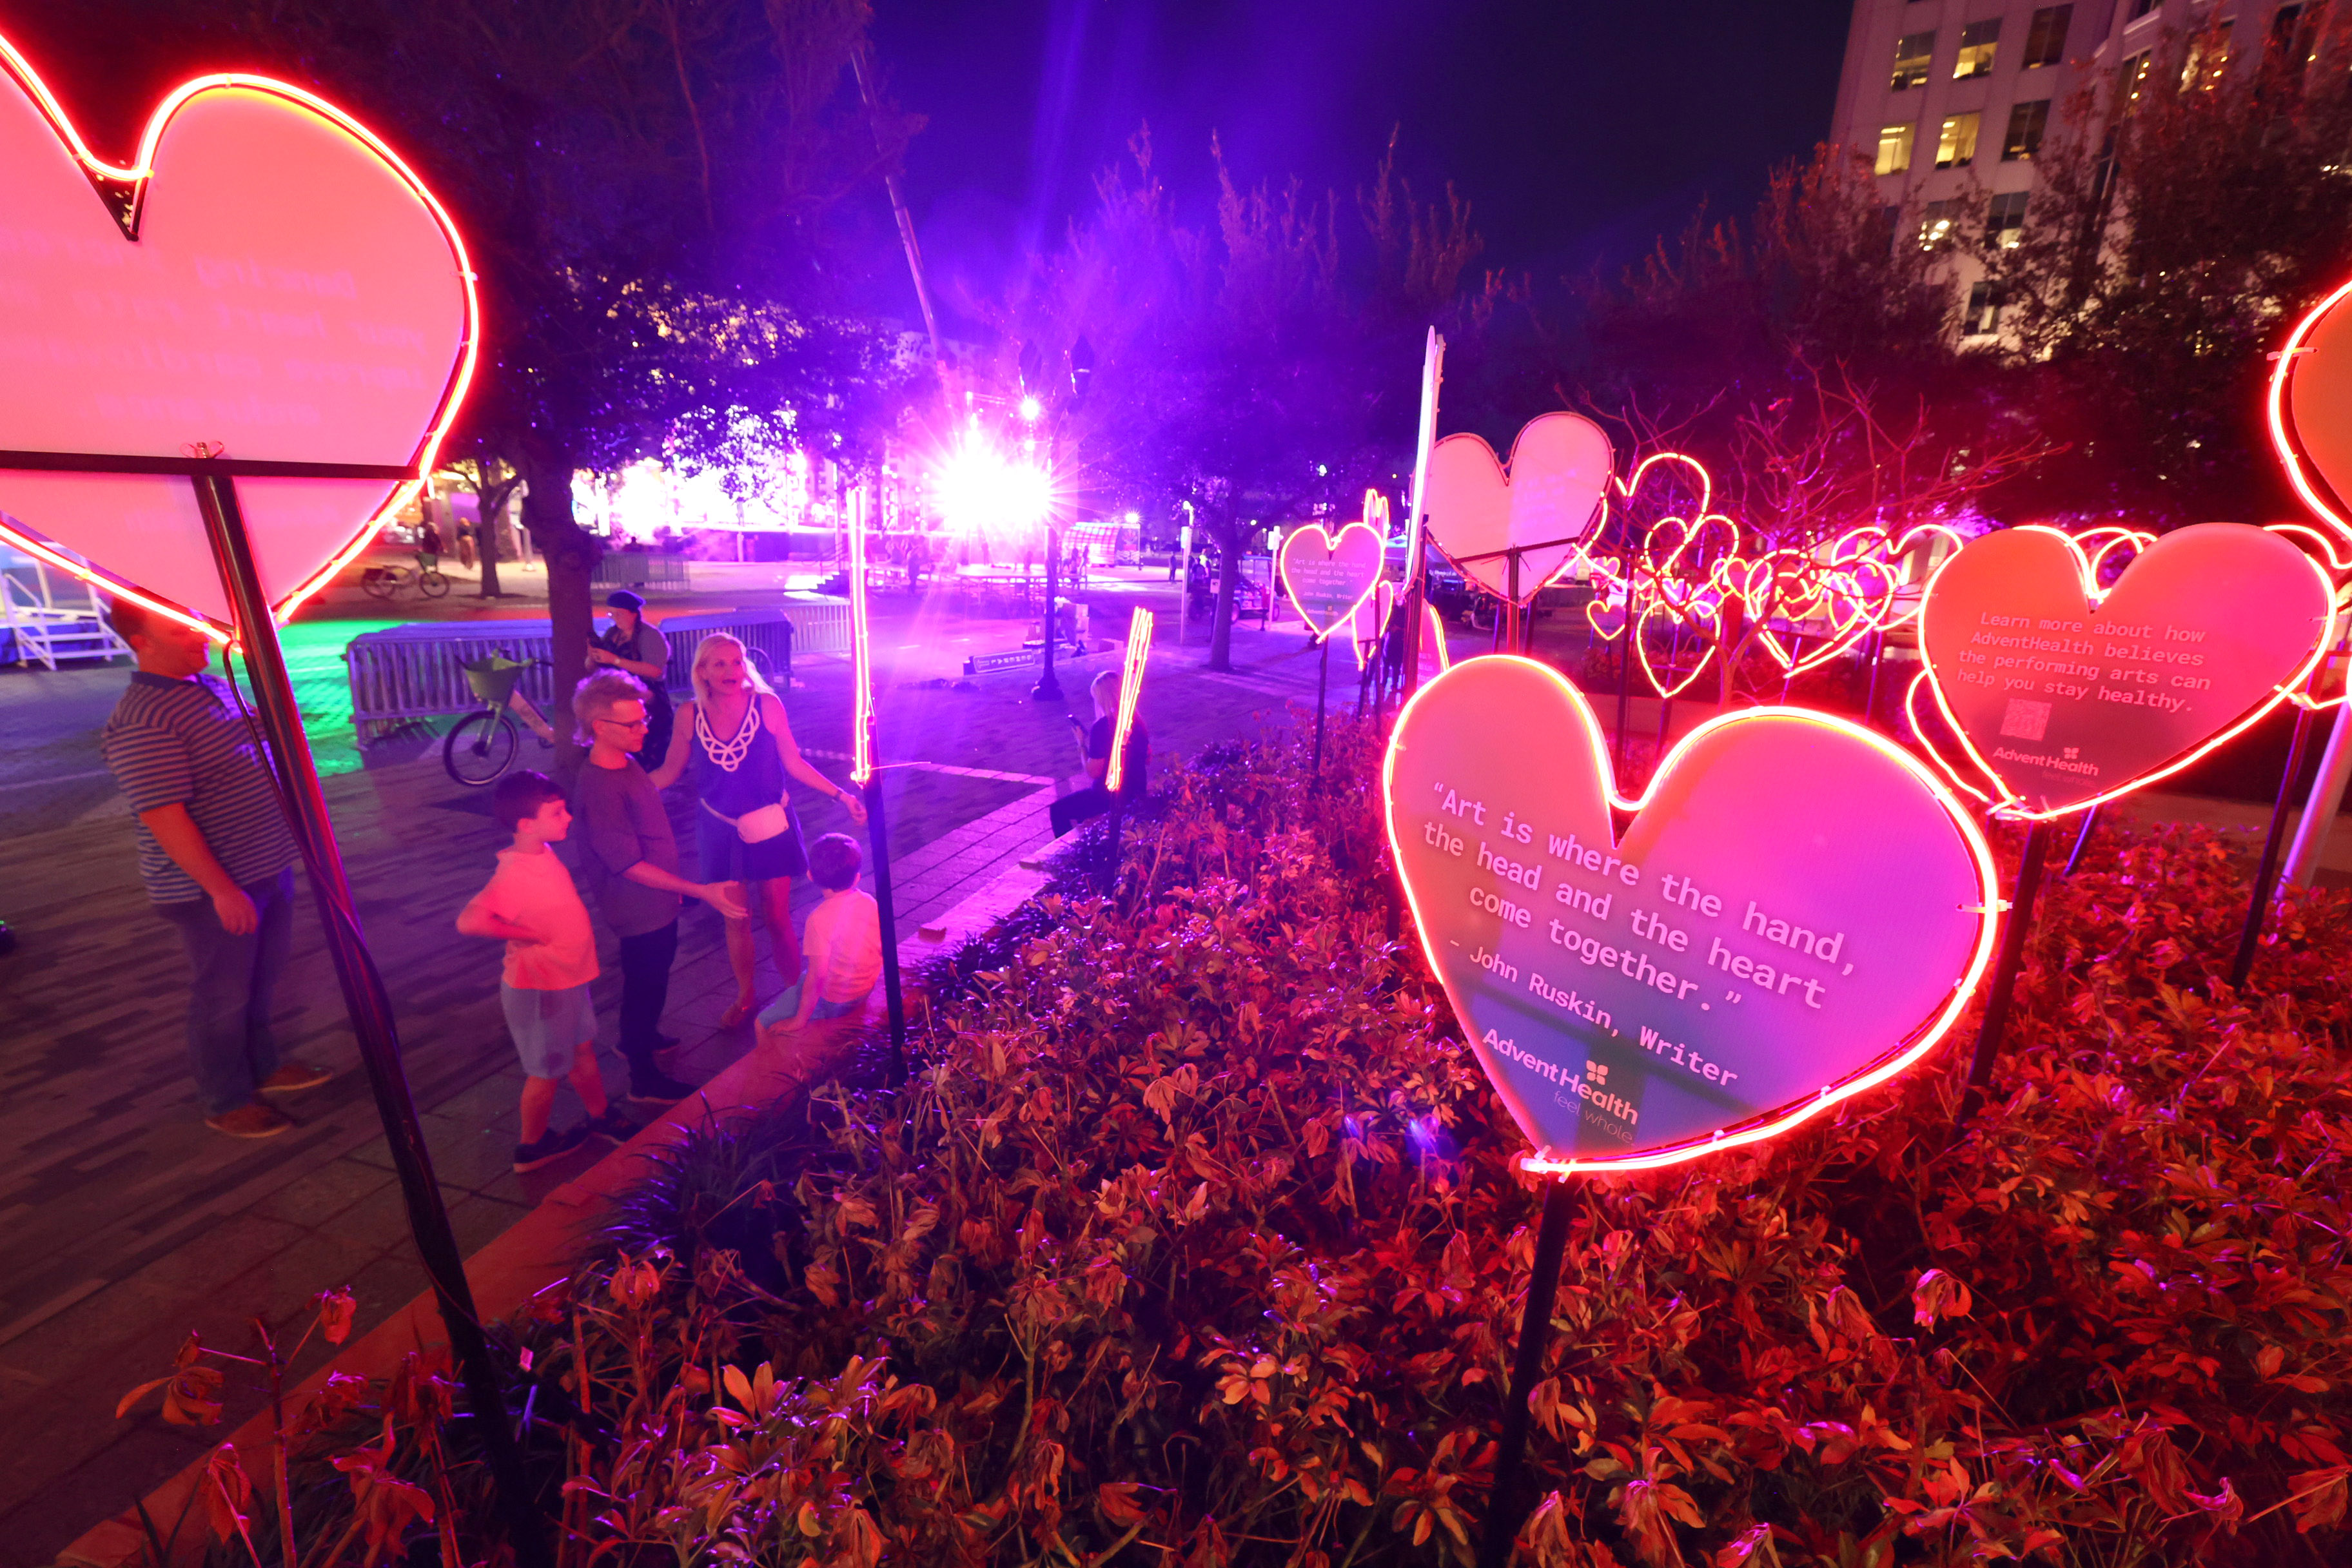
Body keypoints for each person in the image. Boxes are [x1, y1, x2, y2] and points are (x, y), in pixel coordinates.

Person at [101, 599, 329, 1139]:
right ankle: (224, 1098)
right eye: (181, 630)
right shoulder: (142, 719)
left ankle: (264, 1066)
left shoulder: (207, 685)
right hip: (213, 887)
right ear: (141, 642)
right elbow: (163, 813)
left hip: (263, 863)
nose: (197, 636)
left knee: (260, 978)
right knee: (222, 994)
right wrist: (222, 890)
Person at [650, 633, 866, 1027]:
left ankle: (795, 994)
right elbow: (668, 771)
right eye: (719, 664)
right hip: (719, 828)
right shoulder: (689, 714)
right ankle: (746, 995)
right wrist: (626, 791)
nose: (731, 670)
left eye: (737, 661)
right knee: (736, 917)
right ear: (702, 672)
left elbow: (795, 764)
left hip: (771, 824)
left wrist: (842, 796)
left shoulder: (767, 705)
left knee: (778, 915)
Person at [570, 670, 746, 1103]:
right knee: (644, 984)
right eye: (631, 724)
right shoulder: (599, 788)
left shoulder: (626, 764)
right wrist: (701, 889)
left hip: (658, 902)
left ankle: (643, 1037)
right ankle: (642, 1077)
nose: (643, 728)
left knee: (655, 976)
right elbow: (627, 863)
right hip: (636, 909)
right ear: (599, 729)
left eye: (643, 718)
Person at [455, 772, 635, 1171]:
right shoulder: (515, 872)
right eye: (557, 812)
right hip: (542, 990)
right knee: (546, 1071)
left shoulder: (541, 855)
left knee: (582, 1050)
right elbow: (469, 921)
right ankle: (531, 1147)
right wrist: (523, 934)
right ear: (526, 824)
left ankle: (600, 1115)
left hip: (566, 981)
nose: (568, 817)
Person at [756, 833, 881, 1042]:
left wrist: (800, 1019)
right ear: (857, 877)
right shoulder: (869, 902)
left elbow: (818, 976)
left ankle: (763, 1067)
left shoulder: (818, 920)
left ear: (810, 876)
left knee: (762, 1023)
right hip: (864, 989)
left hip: (836, 1001)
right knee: (802, 981)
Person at [1049, 668, 1150, 837]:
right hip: (1137, 791)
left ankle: (1071, 857)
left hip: (1110, 797)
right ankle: (1088, 842)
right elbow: (1148, 758)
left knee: (1058, 810)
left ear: (1102, 698)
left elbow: (1093, 772)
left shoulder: (1103, 727)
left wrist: (1081, 744)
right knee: (1081, 810)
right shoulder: (1138, 722)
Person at [589, 590, 673, 763]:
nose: (614, 618)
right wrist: (592, 656)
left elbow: (654, 671)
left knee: (650, 750)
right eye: (611, 613)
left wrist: (615, 660)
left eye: (619, 614)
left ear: (634, 614)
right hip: (618, 695)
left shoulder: (650, 636)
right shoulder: (613, 634)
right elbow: (592, 667)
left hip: (649, 697)